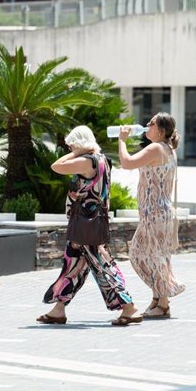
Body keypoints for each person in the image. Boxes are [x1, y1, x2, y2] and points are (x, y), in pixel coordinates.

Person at [37, 126, 142, 326]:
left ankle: (129, 308)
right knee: (73, 265)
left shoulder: (87, 161)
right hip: (91, 222)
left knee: (102, 265)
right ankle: (58, 309)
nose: (69, 147)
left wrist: (76, 151)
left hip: (85, 224)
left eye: (72, 144)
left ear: (80, 143)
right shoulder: (103, 159)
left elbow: (56, 166)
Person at [118, 112, 185, 318]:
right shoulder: (168, 149)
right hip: (157, 214)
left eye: (152, 123)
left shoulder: (156, 148)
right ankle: (159, 296)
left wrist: (122, 140)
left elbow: (127, 163)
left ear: (162, 130)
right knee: (144, 255)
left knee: (150, 256)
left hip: (155, 214)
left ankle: (163, 301)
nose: (147, 125)